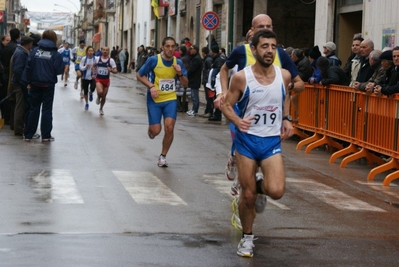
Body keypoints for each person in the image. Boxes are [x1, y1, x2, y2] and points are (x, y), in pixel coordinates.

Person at [222, 29, 293, 258]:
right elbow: (226, 105)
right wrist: (238, 120)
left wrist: (285, 118)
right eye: (264, 46)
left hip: (271, 141)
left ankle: (259, 186)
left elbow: (287, 96)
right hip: (247, 142)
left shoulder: (284, 76)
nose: (270, 50)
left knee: (277, 190)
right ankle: (247, 238)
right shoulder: (242, 77)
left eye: (273, 46)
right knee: (248, 195)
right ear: (254, 50)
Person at [216, 14, 303, 190]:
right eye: (261, 26)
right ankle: (240, 168)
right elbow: (224, 70)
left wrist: (283, 91)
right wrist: (223, 93)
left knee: (270, 182)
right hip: (241, 110)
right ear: (252, 31)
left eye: (269, 26)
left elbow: (298, 85)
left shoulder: (279, 55)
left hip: (269, 120)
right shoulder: (241, 51)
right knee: (245, 140)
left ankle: (253, 184)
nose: (265, 29)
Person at [136, 36, 188, 167]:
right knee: (156, 131)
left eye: (173, 46)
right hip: (154, 99)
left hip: (170, 99)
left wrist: (180, 74)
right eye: (168, 46)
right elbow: (139, 75)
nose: (170, 49)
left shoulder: (178, 62)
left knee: (169, 128)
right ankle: (151, 131)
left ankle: (163, 156)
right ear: (162, 48)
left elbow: (185, 84)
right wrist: (151, 86)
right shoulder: (154, 60)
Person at [22, 29, 64, 142]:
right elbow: (59, 69)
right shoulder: (55, 53)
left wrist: (28, 82)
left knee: (33, 109)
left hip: (35, 84)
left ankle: (29, 134)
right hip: (48, 85)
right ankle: (46, 135)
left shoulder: (34, 51)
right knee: (46, 109)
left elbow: (28, 67)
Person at [11, 36, 34, 136]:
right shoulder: (21, 53)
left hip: (20, 82)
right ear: (28, 44)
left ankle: (19, 126)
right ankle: (18, 128)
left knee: (21, 105)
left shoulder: (21, 52)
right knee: (20, 106)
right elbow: (18, 70)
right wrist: (23, 82)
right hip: (20, 84)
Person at [1, 28, 20, 129]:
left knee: (6, 94)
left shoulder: (7, 47)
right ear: (18, 36)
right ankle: (9, 118)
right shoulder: (15, 48)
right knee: (11, 97)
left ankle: (6, 116)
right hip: (10, 74)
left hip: (5, 73)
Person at [94, 46, 117, 115]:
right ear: (101, 51)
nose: (105, 51)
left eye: (106, 50)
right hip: (99, 79)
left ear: (108, 52)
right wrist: (93, 73)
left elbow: (116, 70)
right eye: (104, 50)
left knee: (104, 96)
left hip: (106, 80)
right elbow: (93, 65)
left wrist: (111, 70)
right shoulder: (97, 59)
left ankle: (101, 108)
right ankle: (98, 97)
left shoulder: (111, 60)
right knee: (100, 92)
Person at [207, 45, 226, 121]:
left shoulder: (218, 60)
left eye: (211, 51)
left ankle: (217, 114)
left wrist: (214, 80)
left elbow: (219, 71)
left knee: (217, 98)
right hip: (215, 82)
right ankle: (216, 114)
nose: (210, 52)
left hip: (218, 82)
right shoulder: (217, 59)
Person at [186, 45, 203, 116]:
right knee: (193, 95)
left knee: (194, 95)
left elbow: (192, 69)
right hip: (193, 79)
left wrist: (186, 74)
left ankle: (195, 110)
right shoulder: (194, 58)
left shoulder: (196, 59)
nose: (190, 51)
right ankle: (193, 109)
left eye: (191, 49)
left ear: (195, 50)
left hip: (195, 79)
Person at [79, 46, 97, 110]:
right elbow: (80, 67)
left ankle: (91, 93)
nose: (90, 52)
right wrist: (85, 67)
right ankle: (86, 103)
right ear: (87, 52)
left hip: (93, 77)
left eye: (91, 51)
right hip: (85, 77)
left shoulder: (96, 59)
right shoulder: (84, 59)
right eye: (89, 51)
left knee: (93, 88)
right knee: (85, 91)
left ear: (93, 52)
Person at [200, 46, 213, 118]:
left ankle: (209, 111)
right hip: (206, 80)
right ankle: (207, 110)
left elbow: (209, 71)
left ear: (203, 53)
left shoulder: (208, 60)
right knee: (207, 97)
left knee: (209, 97)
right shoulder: (206, 59)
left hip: (208, 81)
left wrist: (207, 80)